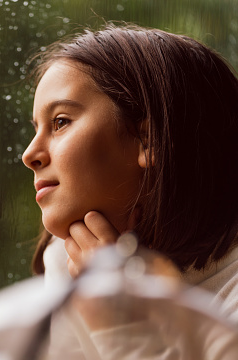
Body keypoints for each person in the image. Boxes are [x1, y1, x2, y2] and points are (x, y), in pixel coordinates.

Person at [19, 24, 238, 358]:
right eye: (36, 129)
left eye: (60, 122)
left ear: (148, 139)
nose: (29, 155)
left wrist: (117, 321)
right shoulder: (69, 260)